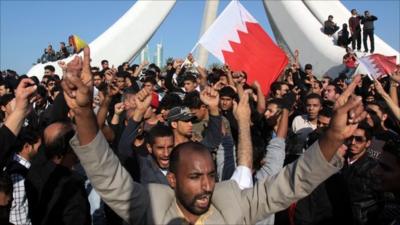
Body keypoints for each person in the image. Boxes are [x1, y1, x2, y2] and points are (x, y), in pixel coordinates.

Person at [63, 46, 366, 225]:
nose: (207, 185)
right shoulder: (151, 206)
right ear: (172, 179)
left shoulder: (233, 203)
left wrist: (333, 137)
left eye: (209, 174)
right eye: (195, 177)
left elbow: (291, 182)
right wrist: (85, 113)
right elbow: (106, 174)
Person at [6, 129, 41, 225]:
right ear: (27, 147)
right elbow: (18, 209)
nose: (40, 150)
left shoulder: (17, 164)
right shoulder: (18, 174)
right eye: (39, 147)